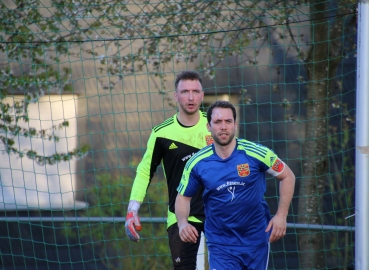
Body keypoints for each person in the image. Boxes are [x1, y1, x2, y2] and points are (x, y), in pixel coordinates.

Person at [175, 100, 295, 269]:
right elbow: (183, 197)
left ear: (235, 125)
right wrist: (182, 223)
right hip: (220, 243)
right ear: (208, 126)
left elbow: (288, 176)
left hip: (256, 240)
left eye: (228, 121)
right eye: (217, 122)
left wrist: (281, 216)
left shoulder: (256, 153)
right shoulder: (197, 163)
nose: (223, 127)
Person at [125, 70, 213, 269]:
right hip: (180, 217)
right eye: (184, 92)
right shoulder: (161, 133)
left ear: (202, 94)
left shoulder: (215, 126)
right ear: (175, 96)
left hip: (218, 213)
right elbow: (144, 172)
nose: (190, 97)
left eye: (195, 91)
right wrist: (132, 210)